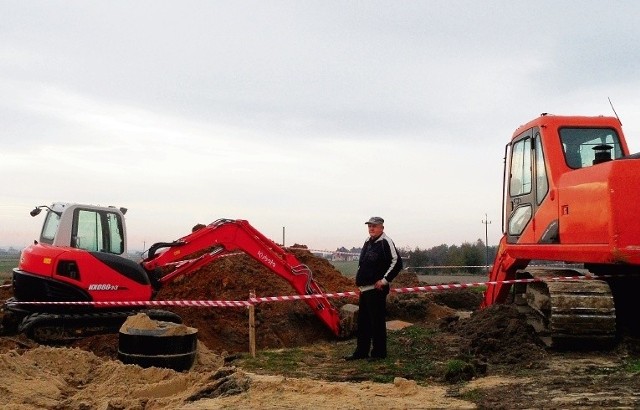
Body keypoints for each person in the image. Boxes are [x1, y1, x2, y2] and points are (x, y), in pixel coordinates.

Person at [344, 216, 403, 361]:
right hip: (365, 289)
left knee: (376, 322)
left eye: (374, 226)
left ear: (382, 227)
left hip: (376, 290)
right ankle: (361, 351)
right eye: (370, 226)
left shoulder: (386, 242)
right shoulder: (367, 241)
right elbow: (363, 262)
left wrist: (384, 280)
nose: (371, 228)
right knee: (363, 322)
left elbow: (397, 263)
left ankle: (379, 353)